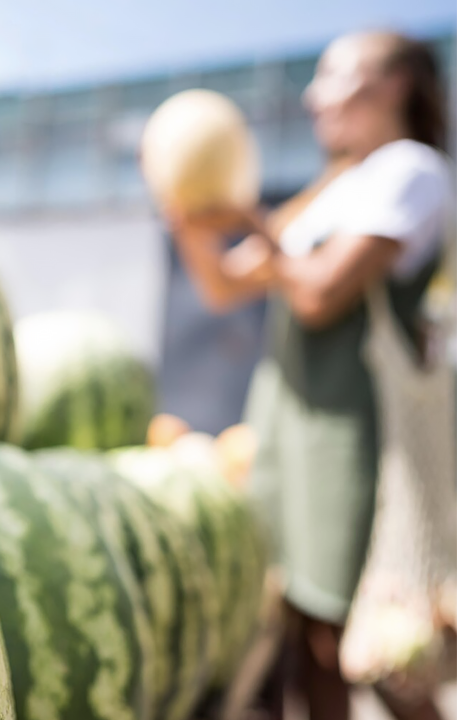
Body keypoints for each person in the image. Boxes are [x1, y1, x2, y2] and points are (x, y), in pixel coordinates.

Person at [167, 31, 453, 720]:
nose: (312, 94)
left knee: (354, 637)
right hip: (290, 423)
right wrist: (183, 210)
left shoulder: (410, 170)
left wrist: (253, 225)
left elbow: (321, 297)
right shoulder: (339, 181)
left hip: (349, 431)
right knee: (304, 628)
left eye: (332, 76)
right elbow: (224, 286)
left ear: (390, 88)